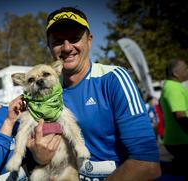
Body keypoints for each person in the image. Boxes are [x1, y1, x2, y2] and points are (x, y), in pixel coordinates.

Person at [26, 7, 161, 180]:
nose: (67, 47)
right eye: (58, 41)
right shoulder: (46, 93)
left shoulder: (113, 78)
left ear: (89, 40)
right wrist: (40, 158)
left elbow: (148, 164)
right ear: (50, 47)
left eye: (74, 38)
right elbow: (38, 149)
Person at [159, 59, 188, 179]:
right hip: (180, 141)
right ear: (175, 73)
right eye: (185, 69)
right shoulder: (173, 88)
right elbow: (180, 116)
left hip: (177, 140)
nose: (187, 71)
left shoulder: (170, 86)